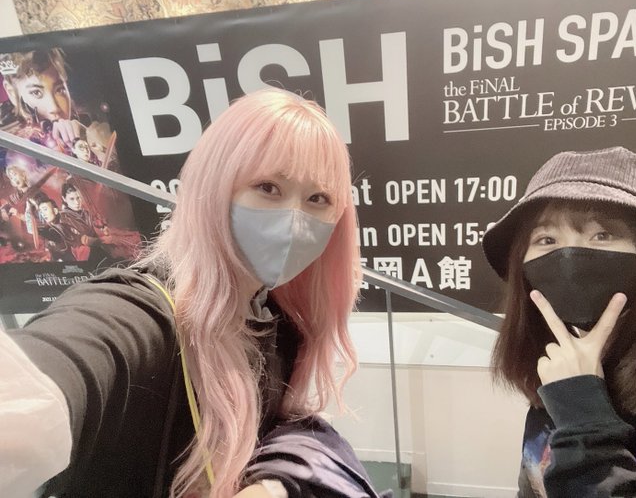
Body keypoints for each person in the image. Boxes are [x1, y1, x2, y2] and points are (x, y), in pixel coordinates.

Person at [0, 88, 379, 498]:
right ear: (215, 186)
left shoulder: (279, 324)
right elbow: (55, 371)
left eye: (318, 198)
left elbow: (282, 431)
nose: (294, 219)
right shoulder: (143, 316)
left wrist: (273, 486)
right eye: (268, 187)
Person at [482, 146, 636, 497]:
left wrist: (583, 416)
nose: (569, 256)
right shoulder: (557, 362)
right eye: (546, 239)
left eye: (602, 235)